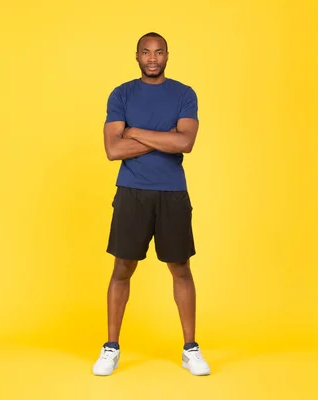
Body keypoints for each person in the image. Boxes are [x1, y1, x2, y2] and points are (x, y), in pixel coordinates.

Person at [92, 32, 210, 376]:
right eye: (147, 52)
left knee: (181, 269)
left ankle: (190, 349)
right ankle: (111, 347)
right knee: (122, 269)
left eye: (159, 52)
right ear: (137, 56)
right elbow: (113, 150)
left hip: (172, 193)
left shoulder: (184, 94)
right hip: (132, 192)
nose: (153, 58)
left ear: (168, 55)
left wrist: (134, 132)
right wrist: (164, 138)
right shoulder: (122, 94)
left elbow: (185, 142)